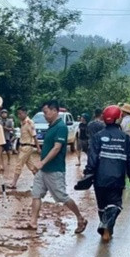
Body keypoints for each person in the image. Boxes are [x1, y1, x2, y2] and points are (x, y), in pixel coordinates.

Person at [77, 104, 130, 241]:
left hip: (99, 179)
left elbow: (92, 158)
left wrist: (88, 173)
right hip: (117, 178)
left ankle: (106, 229)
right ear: (118, 119)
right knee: (115, 204)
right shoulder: (125, 139)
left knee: (102, 206)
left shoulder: (98, 137)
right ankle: (106, 227)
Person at [27, 99, 87, 234]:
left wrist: (42, 162)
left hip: (54, 170)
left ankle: (80, 218)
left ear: (55, 111)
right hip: (43, 170)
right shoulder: (52, 126)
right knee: (36, 194)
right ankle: (33, 222)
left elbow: (57, 148)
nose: (44, 115)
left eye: (46, 112)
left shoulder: (61, 127)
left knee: (62, 197)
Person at [8, 107, 38, 190]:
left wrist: (38, 148)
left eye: (20, 113)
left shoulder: (29, 123)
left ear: (25, 113)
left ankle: (13, 183)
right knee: (31, 166)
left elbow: (34, 136)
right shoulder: (23, 123)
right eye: (18, 114)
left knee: (19, 164)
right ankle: (41, 181)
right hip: (23, 146)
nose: (19, 115)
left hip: (27, 146)